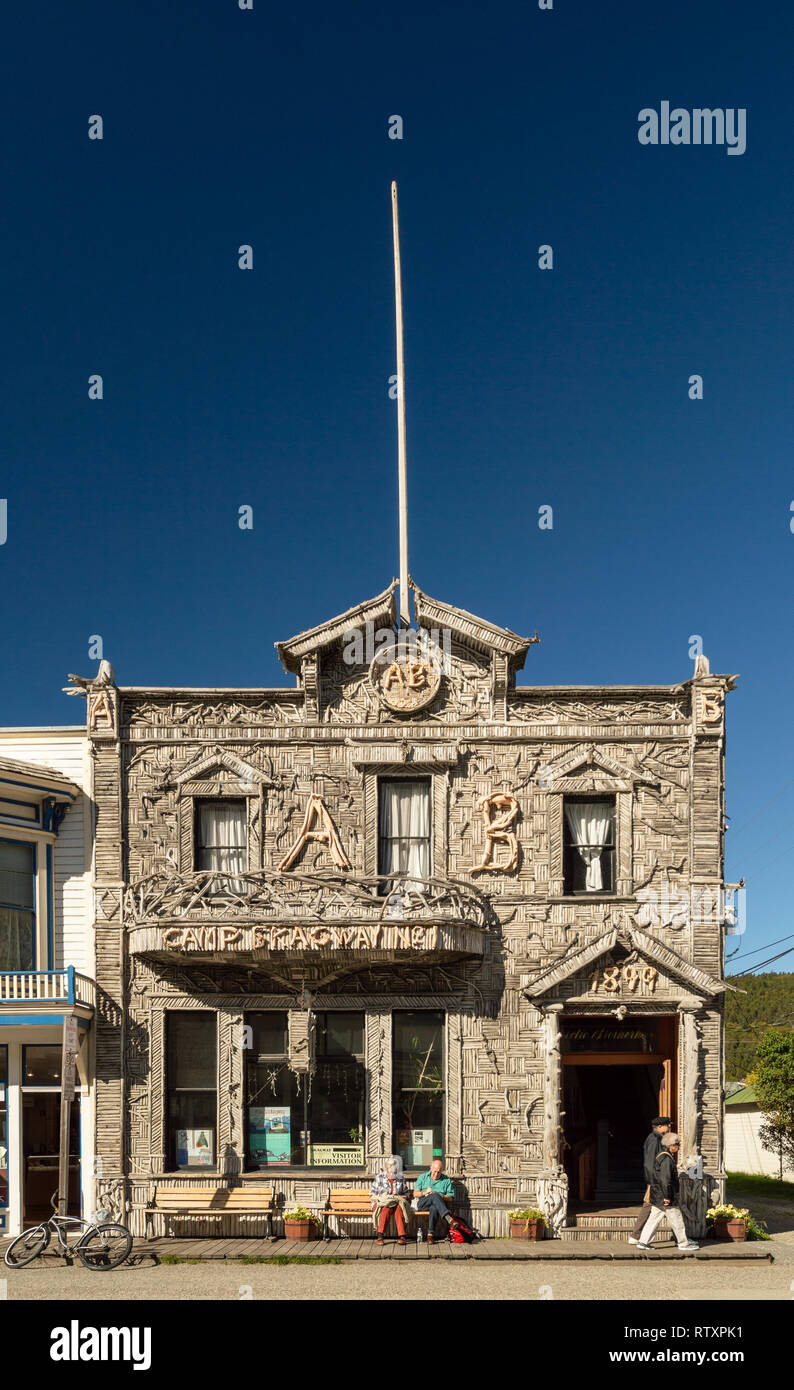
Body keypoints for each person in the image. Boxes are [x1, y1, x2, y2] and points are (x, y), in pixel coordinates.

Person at [636, 1133, 700, 1252]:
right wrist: (667, 1196)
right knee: (677, 1219)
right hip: (665, 1196)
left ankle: (643, 1242)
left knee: (653, 1218)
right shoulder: (667, 1159)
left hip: (657, 1195)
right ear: (671, 1145)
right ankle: (683, 1243)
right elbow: (665, 1180)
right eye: (677, 1144)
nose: (679, 1147)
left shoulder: (662, 1156)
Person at [628, 1116, 670, 1244]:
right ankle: (636, 1236)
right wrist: (653, 1180)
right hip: (655, 1180)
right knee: (651, 1206)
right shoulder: (654, 1140)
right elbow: (649, 1162)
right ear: (660, 1127)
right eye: (668, 1125)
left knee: (649, 1206)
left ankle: (636, 1236)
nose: (669, 1127)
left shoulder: (658, 1138)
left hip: (656, 1179)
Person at [412, 1158, 460, 1244]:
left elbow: (450, 1198)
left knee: (434, 1207)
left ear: (442, 1171)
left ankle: (430, 1235)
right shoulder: (423, 1177)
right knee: (434, 1196)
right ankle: (449, 1219)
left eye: (439, 1172)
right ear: (430, 1168)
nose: (436, 1174)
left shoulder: (446, 1180)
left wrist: (440, 1195)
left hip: (438, 1205)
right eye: (434, 1171)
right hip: (423, 1203)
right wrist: (426, 1192)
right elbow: (415, 1194)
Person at [370, 1154, 411, 1245]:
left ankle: (402, 1236)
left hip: (396, 1203)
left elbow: (407, 1194)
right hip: (382, 1203)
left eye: (395, 1172)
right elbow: (372, 1196)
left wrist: (399, 1197)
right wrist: (381, 1197)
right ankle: (380, 1235)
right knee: (386, 1208)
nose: (393, 1174)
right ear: (387, 1169)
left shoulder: (400, 1178)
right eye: (391, 1172)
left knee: (399, 1209)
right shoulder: (379, 1177)